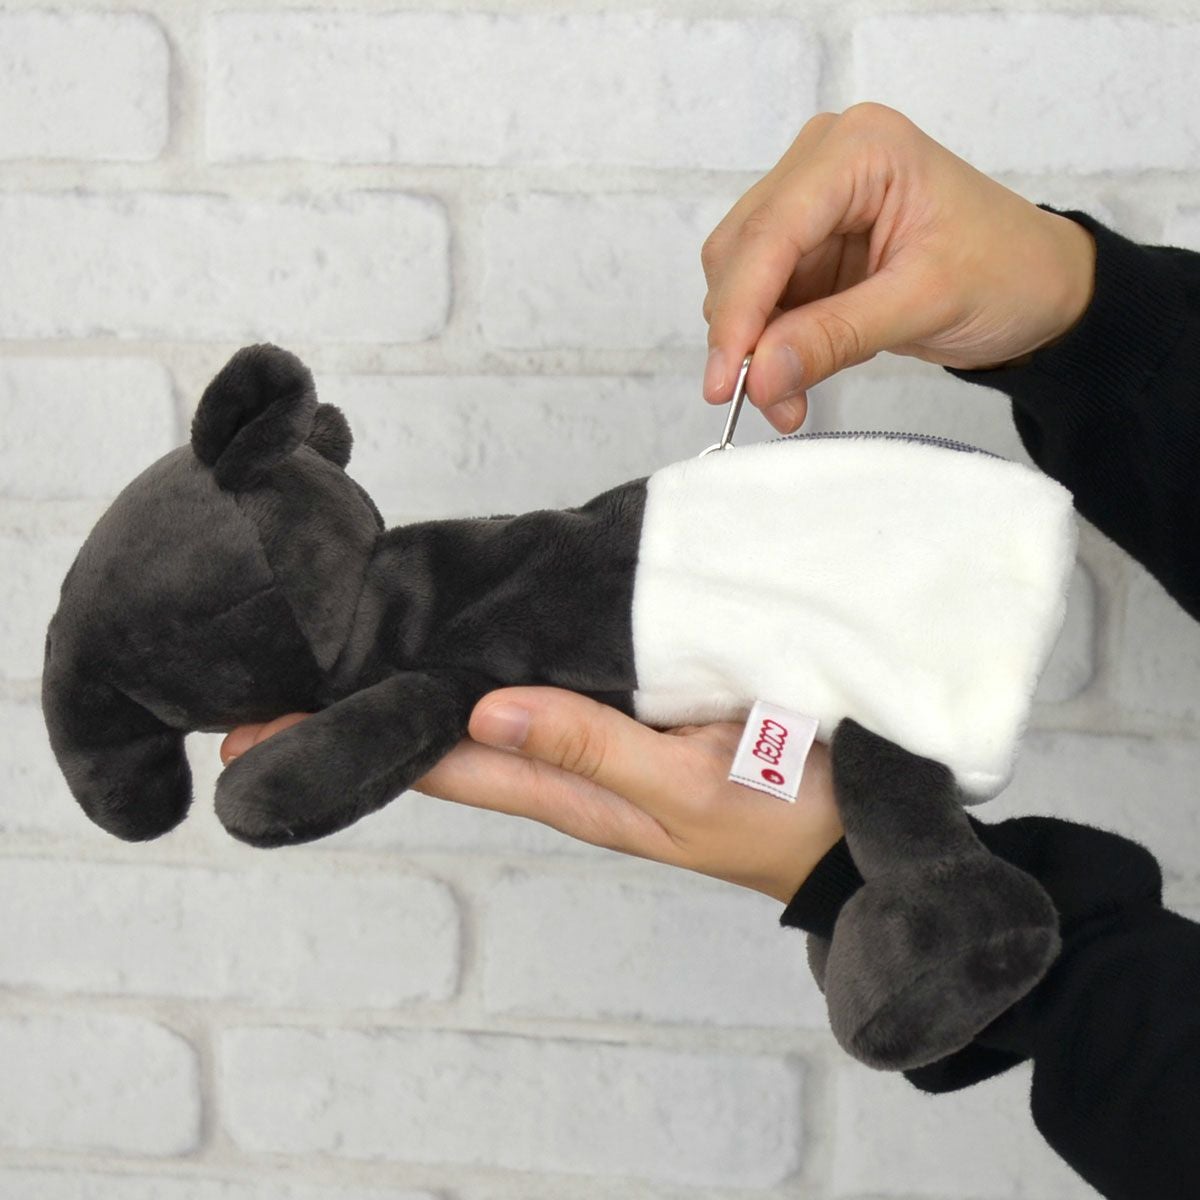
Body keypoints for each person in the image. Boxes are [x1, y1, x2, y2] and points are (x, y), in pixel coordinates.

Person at [221, 103, 1200, 1196]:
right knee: (898, 794)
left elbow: (382, 725)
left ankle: (945, 904)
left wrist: (859, 882)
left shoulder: (473, 613)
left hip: (814, 633)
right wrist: (1091, 311)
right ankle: (944, 902)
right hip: (880, 637)